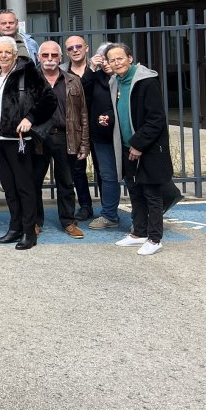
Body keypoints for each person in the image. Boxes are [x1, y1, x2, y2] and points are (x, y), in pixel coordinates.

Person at [0, 37, 56, 250]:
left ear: (15, 53)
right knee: (9, 187)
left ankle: (29, 231)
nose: (3, 56)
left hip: (19, 139)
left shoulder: (27, 71)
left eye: (7, 52)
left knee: (24, 186)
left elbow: (49, 99)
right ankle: (15, 227)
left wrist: (30, 118)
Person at [107, 43, 172, 256]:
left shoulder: (147, 81)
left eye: (120, 58)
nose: (117, 63)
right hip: (128, 147)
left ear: (130, 58)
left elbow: (156, 119)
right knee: (135, 192)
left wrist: (138, 144)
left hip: (148, 149)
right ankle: (139, 233)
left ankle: (155, 239)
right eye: (112, 60)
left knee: (152, 194)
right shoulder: (116, 82)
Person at [31, 41, 89, 240]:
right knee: (34, 182)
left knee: (66, 182)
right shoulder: (30, 80)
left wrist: (84, 143)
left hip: (65, 136)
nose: (49, 59)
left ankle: (68, 221)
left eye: (53, 56)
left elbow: (83, 114)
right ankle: (35, 222)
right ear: (38, 57)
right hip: (37, 138)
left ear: (60, 58)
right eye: (45, 55)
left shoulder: (73, 81)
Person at [85, 43, 122, 229]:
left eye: (112, 59)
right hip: (102, 135)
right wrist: (91, 68)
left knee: (133, 176)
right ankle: (109, 215)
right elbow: (82, 92)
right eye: (104, 59)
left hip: (125, 135)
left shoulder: (124, 78)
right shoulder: (96, 77)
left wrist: (110, 115)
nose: (108, 63)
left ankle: (143, 216)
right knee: (107, 175)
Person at [61, 35, 96, 219]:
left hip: (99, 126)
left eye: (78, 46)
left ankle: (108, 210)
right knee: (77, 170)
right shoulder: (62, 72)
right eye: (70, 48)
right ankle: (85, 206)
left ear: (86, 48)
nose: (75, 50)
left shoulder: (98, 69)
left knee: (103, 170)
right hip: (74, 128)